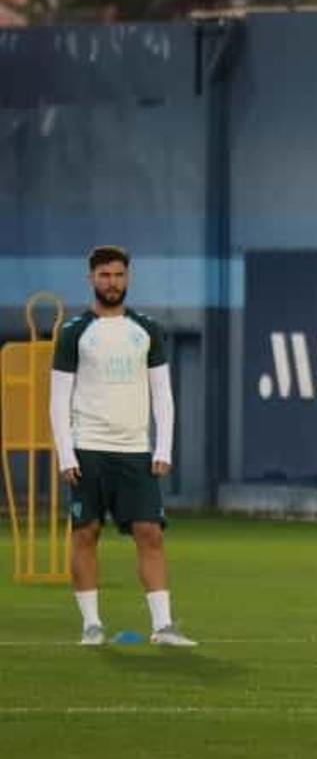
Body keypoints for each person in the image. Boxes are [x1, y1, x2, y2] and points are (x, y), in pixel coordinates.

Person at [49, 245, 196, 648]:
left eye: (118, 275)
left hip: (135, 451)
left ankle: (163, 627)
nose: (112, 282)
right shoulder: (75, 331)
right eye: (104, 275)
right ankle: (91, 625)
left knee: (150, 533)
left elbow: (162, 394)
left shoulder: (146, 329)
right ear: (91, 279)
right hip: (88, 447)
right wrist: (66, 453)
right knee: (86, 533)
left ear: (128, 278)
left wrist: (162, 447)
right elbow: (59, 398)